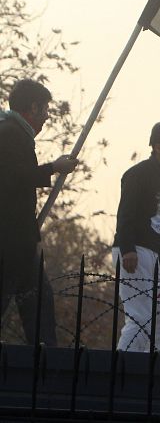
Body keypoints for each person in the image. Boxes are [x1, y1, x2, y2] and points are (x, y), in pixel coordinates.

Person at [0, 79, 79, 346]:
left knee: (39, 303)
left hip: (18, 241)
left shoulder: (13, 132)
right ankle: (45, 362)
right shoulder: (10, 133)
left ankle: (45, 359)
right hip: (10, 241)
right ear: (33, 107)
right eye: (45, 110)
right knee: (33, 303)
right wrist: (53, 168)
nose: (46, 117)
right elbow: (15, 177)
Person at [112, 122, 160, 353]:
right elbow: (126, 213)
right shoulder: (137, 174)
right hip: (134, 250)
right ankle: (122, 368)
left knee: (159, 323)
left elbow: (159, 222)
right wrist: (128, 248)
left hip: (151, 252)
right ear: (158, 147)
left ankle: (156, 374)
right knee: (140, 318)